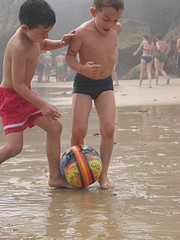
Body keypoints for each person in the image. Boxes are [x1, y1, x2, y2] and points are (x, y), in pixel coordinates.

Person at [0, 0, 75, 189]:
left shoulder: (35, 37)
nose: (45, 35)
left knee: (55, 127)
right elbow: (17, 85)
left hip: (26, 95)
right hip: (12, 98)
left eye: (49, 31)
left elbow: (43, 44)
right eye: (43, 32)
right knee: (14, 148)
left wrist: (61, 42)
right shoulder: (18, 46)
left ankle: (55, 177)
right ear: (25, 27)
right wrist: (42, 104)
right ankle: (55, 177)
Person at [65, 0, 124, 189]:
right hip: (83, 83)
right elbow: (69, 56)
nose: (110, 25)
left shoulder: (117, 29)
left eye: (115, 20)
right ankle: (75, 170)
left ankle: (103, 176)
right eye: (106, 19)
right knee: (78, 131)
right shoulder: (82, 32)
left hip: (105, 83)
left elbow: (110, 47)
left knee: (108, 128)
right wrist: (81, 68)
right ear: (93, 12)